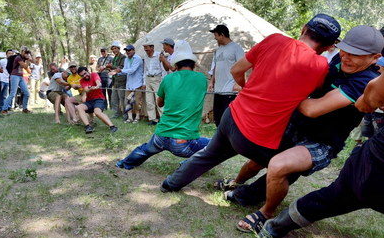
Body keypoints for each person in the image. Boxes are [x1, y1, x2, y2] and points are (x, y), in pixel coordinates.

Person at [159, 14, 341, 196]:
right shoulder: (320, 66)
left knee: (207, 156)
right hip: (257, 136)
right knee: (288, 167)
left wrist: (248, 88)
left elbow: (236, 70)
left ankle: (170, 184)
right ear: (328, 46)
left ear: (303, 28)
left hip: (232, 116)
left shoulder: (274, 40)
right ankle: (246, 197)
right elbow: (311, 93)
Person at [227, 25, 383, 234]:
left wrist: (277, 87)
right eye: (345, 50)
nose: (346, 57)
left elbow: (312, 109)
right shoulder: (340, 60)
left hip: (322, 142)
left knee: (278, 166)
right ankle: (237, 185)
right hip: (296, 125)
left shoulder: (364, 81)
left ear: (374, 58)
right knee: (260, 157)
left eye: (356, 55)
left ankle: (266, 212)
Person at [258, 68, 384, 238]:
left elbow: (367, 100)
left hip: (370, 162)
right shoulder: (337, 64)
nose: (346, 57)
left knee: (334, 196)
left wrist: (289, 94)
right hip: (373, 162)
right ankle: (273, 223)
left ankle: (273, 224)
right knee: (333, 197)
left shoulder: (364, 78)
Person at [116, 40, 210, 170]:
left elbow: (159, 102)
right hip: (183, 142)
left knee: (144, 149)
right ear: (193, 63)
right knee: (213, 145)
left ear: (176, 63)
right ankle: (187, 165)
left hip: (161, 135)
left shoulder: (168, 79)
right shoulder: (201, 79)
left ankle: (124, 163)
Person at [207, 25, 245, 126]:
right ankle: (221, 140)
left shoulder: (236, 48)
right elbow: (215, 67)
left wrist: (238, 84)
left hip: (230, 91)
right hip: (218, 90)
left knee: (227, 121)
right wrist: (211, 82)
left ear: (222, 35)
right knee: (218, 119)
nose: (215, 38)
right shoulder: (218, 50)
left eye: (216, 35)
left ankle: (229, 141)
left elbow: (243, 67)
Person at [76, 66, 117, 134]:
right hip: (89, 101)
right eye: (82, 75)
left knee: (97, 112)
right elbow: (86, 90)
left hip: (99, 99)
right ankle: (88, 126)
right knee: (79, 107)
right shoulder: (81, 81)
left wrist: (97, 86)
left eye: (85, 73)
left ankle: (112, 126)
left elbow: (98, 82)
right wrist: (91, 88)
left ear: (88, 71)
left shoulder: (94, 74)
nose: (85, 76)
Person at [110, 45, 144, 123]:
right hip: (129, 84)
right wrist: (115, 73)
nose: (127, 52)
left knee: (137, 101)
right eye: (126, 50)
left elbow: (132, 70)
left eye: (129, 50)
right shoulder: (126, 59)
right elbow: (125, 71)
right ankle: (130, 118)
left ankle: (137, 117)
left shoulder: (137, 59)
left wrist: (120, 70)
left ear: (133, 50)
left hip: (137, 83)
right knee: (128, 101)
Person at [1, 46, 32, 114]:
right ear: (22, 51)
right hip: (14, 76)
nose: (26, 53)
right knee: (12, 93)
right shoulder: (18, 58)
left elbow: (28, 70)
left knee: (27, 93)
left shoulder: (23, 58)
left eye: (27, 52)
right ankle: (4, 109)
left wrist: (29, 59)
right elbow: (25, 66)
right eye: (25, 52)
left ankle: (24, 108)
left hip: (20, 77)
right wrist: (28, 60)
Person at [143, 37, 165, 125]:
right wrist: (144, 82)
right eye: (145, 49)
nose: (146, 50)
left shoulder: (159, 55)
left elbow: (163, 69)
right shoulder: (145, 57)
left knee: (158, 99)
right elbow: (145, 69)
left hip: (157, 78)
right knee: (149, 100)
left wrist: (163, 81)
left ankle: (163, 119)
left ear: (152, 47)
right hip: (148, 78)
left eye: (147, 48)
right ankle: (152, 119)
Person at [109, 42, 127, 119]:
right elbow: (113, 69)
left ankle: (125, 114)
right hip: (114, 81)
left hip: (121, 80)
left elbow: (121, 67)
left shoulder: (123, 57)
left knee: (122, 98)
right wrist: (108, 67)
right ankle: (117, 113)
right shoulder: (114, 58)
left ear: (119, 48)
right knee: (114, 98)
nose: (114, 50)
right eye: (113, 49)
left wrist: (111, 66)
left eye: (115, 48)